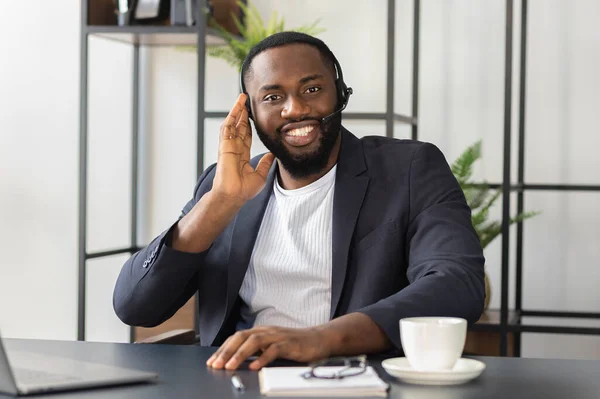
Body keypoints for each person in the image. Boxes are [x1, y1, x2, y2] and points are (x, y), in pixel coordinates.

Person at [113, 31, 485, 371]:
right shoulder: (223, 185)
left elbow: (456, 283)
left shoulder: (408, 169)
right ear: (250, 116)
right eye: (273, 97)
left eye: (311, 89)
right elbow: (136, 306)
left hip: (358, 381)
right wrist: (219, 203)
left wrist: (321, 339)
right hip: (242, 381)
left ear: (339, 93)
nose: (294, 109)